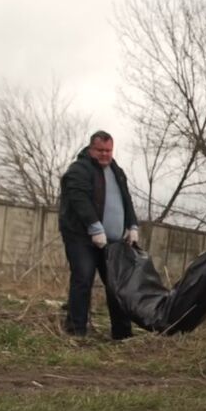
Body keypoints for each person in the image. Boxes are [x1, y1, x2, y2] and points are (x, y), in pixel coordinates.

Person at [58, 130, 140, 340]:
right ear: (91, 149)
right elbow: (79, 200)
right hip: (81, 237)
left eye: (108, 150)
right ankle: (76, 330)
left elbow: (126, 199)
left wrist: (132, 225)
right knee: (83, 278)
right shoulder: (79, 170)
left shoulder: (116, 171)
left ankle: (122, 334)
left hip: (112, 241)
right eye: (100, 150)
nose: (105, 154)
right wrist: (94, 227)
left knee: (116, 284)